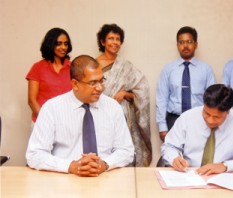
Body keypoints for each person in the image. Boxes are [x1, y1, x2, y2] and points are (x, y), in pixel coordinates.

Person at [26, 55, 134, 177]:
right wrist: (70, 166)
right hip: (63, 180)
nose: (100, 88)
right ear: (75, 84)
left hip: (104, 178)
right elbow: (35, 154)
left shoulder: (113, 107)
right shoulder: (52, 108)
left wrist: (104, 164)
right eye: (93, 83)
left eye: (101, 80)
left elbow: (126, 150)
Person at [161, 84, 233, 176]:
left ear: (228, 111)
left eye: (216, 117)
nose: (210, 121)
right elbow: (169, 146)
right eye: (207, 113)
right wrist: (174, 158)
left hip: (224, 177)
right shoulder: (187, 118)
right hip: (190, 174)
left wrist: (225, 166)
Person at [95, 24, 152, 167]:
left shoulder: (125, 65)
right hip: (99, 115)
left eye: (118, 39)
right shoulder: (94, 64)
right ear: (103, 42)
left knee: (123, 152)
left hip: (123, 117)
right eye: (111, 38)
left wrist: (125, 93)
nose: (115, 42)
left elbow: (143, 88)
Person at [156, 26, 216, 142]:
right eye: (181, 42)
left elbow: (212, 99)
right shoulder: (168, 69)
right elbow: (161, 99)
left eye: (189, 42)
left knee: (198, 156)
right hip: (174, 120)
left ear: (196, 44)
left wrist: (210, 123)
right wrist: (162, 127)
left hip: (200, 120)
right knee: (174, 157)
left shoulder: (206, 69)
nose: (185, 46)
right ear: (177, 45)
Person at [26, 28, 73, 123]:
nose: (63, 47)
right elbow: (32, 100)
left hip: (66, 122)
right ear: (50, 44)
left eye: (66, 43)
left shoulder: (73, 67)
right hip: (42, 122)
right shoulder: (38, 67)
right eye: (58, 43)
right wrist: (45, 122)